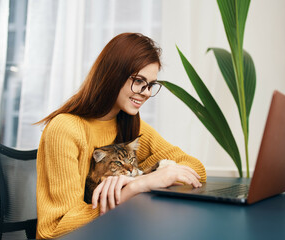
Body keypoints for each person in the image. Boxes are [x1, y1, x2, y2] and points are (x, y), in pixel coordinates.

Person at [35, 32, 207, 239]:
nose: (146, 92)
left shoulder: (130, 124)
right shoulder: (65, 128)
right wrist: (138, 185)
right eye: (139, 81)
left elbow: (195, 169)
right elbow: (56, 230)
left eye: (151, 84)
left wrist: (143, 177)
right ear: (113, 75)